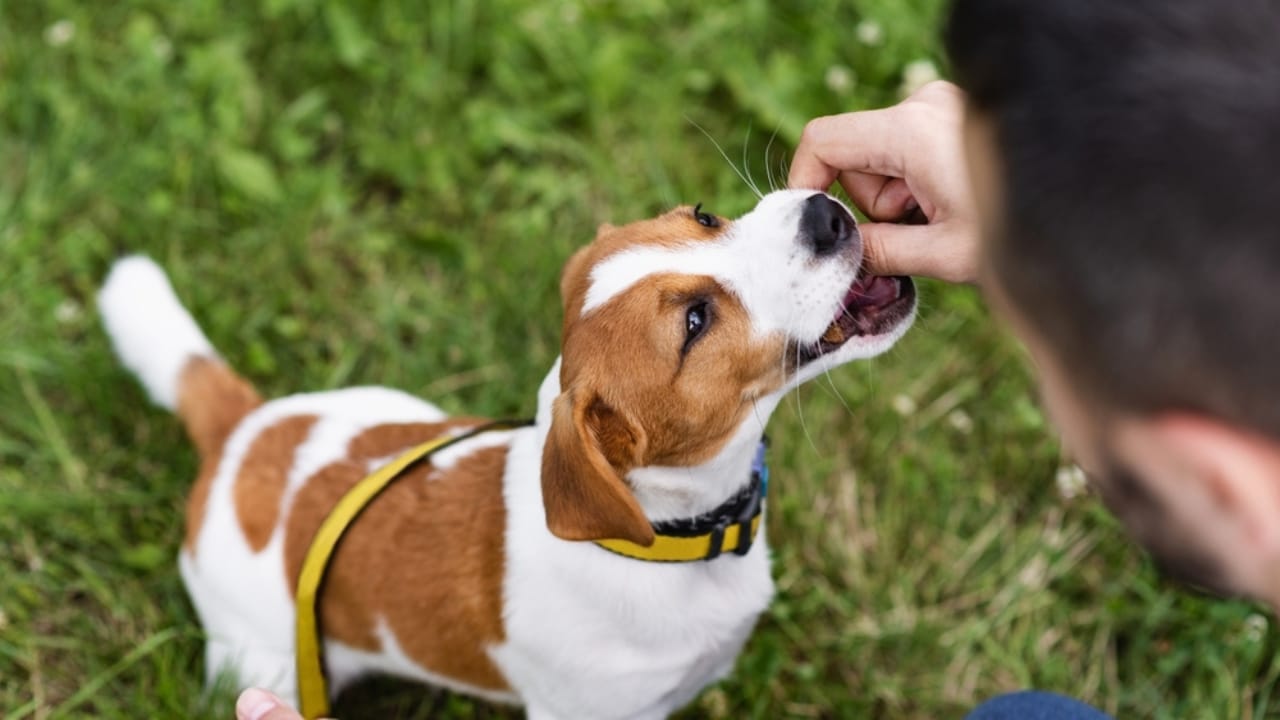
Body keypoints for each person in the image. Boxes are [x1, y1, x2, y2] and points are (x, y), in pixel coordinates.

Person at [236, 0, 1280, 717]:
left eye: (702, 222)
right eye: (692, 321)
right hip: (261, 571)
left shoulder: (614, 452)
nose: (798, 224)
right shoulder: (585, 634)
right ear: (613, 458)